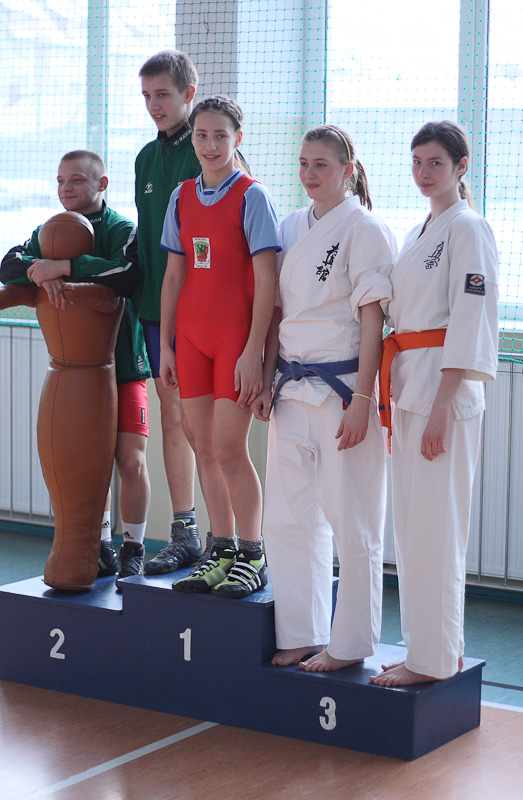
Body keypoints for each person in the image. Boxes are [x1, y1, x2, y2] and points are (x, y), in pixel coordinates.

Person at [252, 125, 397, 670]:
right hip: (290, 387)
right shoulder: (291, 226)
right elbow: (276, 312)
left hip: (343, 392)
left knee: (352, 522)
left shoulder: (365, 229)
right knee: (287, 519)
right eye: (304, 164)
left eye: (322, 165)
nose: (310, 174)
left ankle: (351, 643)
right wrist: (266, 378)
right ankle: (302, 632)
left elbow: (374, 322)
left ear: (347, 170)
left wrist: (363, 398)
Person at [370, 121, 499, 687]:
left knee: (438, 529)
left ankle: (436, 660)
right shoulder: (419, 230)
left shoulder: (469, 228)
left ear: (461, 167)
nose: (423, 173)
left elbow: (470, 320)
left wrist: (443, 405)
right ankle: (426, 650)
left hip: (443, 395)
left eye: (436, 163)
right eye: (417, 162)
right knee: (412, 529)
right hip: (409, 388)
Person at [0, 150, 151, 588]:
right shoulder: (49, 231)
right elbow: (9, 265)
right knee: (89, 463)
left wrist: (66, 266)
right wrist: (40, 270)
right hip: (79, 374)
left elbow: (128, 274)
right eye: (61, 180)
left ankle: (134, 547)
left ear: (102, 184)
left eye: (77, 180)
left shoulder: (121, 229)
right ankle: (99, 545)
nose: (66, 188)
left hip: (124, 366)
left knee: (129, 460)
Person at [160, 95, 280, 598]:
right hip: (190, 338)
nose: (210, 145)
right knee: (203, 446)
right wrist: (167, 345)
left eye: (220, 136)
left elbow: (268, 281)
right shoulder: (181, 195)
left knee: (230, 450)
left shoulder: (253, 196)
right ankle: (222, 548)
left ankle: (254, 554)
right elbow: (174, 275)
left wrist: (254, 351)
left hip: (235, 338)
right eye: (201, 135)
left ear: (238, 138)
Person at [134, 50, 208, 576]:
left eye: (162, 94)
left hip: (202, 313)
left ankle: (230, 539)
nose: (154, 105)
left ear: (188, 94)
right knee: (173, 417)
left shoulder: (207, 152)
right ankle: (186, 532)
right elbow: (145, 240)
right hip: (154, 312)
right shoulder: (145, 158)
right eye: (146, 96)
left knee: (208, 427)